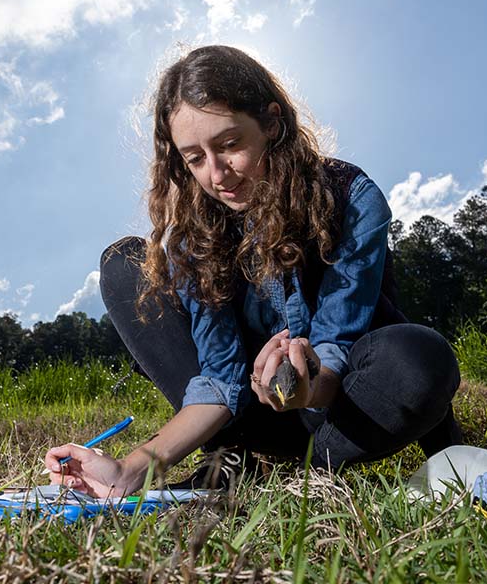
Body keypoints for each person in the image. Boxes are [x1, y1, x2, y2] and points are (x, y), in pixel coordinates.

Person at [44, 45, 462, 498]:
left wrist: (303, 385)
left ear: (272, 123)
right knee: (125, 263)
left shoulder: (351, 196)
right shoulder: (194, 233)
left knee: (419, 356)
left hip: (344, 407)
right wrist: (128, 471)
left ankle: (314, 475)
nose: (217, 174)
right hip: (250, 416)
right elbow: (221, 379)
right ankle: (228, 461)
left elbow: (337, 347)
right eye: (195, 158)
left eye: (228, 145)